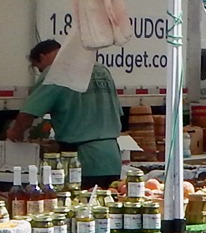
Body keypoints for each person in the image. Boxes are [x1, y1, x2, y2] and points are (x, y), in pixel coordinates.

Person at [7, 40, 124, 187]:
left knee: (81, 205)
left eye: (39, 68)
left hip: (82, 161)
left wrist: (14, 133)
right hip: (111, 157)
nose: (41, 72)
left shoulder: (56, 73)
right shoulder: (102, 70)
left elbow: (27, 114)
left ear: (42, 58)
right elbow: (117, 111)